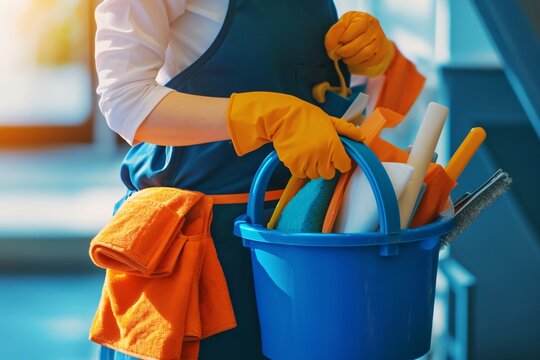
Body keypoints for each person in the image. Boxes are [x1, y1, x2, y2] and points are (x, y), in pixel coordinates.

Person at [94, 1, 399, 358]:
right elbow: (125, 101)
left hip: (310, 229)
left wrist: (366, 63)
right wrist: (261, 116)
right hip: (208, 244)